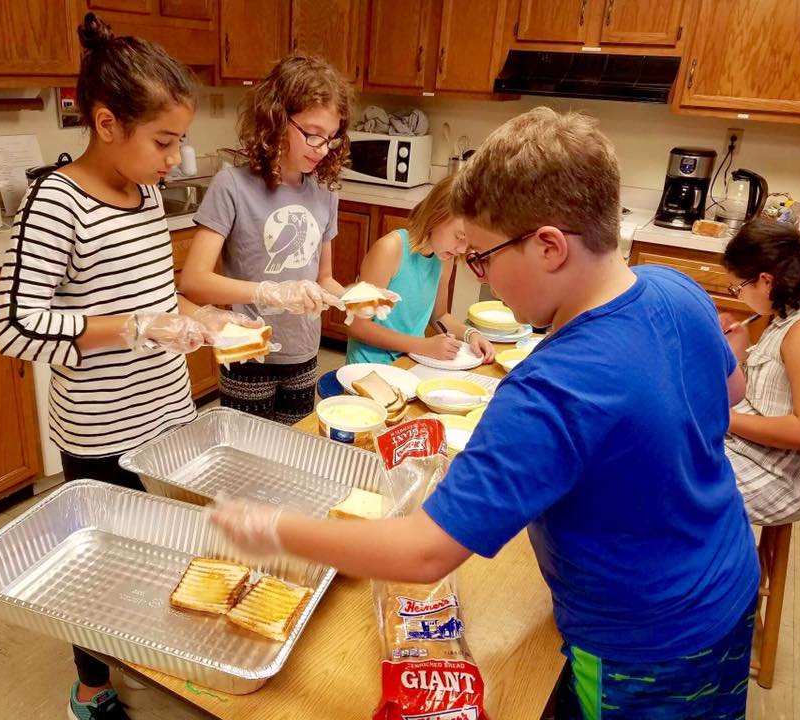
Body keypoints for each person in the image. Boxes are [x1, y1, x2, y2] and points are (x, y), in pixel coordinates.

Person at [212, 107, 760, 720]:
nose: (482, 278)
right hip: (730, 581)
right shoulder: (674, 287)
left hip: (641, 647)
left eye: (482, 258)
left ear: (549, 246)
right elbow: (731, 390)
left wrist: (275, 529)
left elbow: (424, 554)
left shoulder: (552, 387)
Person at [0, 14, 254, 720]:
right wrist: (135, 327)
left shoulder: (141, 194)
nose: (175, 158)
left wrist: (195, 321)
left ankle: (149, 651)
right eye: (163, 141)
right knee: (101, 565)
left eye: (179, 141)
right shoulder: (55, 203)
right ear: (106, 124)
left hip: (164, 412)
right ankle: (91, 689)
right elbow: (15, 329)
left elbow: (149, 294)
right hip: (102, 425)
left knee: (155, 546)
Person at [179, 54, 369, 425]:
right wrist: (268, 292)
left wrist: (354, 298)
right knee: (247, 463)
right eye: (312, 133)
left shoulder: (325, 193)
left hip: (302, 350)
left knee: (292, 454)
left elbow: (323, 278)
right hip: (249, 350)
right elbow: (194, 282)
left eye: (330, 138)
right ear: (277, 118)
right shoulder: (232, 186)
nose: (320, 147)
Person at [721, 219, 800, 525]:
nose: (738, 296)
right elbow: (770, 395)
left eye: (738, 287)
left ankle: (702, 568)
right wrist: (739, 353)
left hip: (780, 476)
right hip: (757, 453)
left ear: (766, 281)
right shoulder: (791, 310)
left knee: (653, 481)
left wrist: (723, 418)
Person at [345, 175, 495, 365]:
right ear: (437, 214)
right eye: (459, 237)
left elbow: (440, 316)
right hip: (369, 368)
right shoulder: (389, 249)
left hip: (410, 361)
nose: (462, 250)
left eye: (469, 243)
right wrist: (423, 346)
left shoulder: (445, 258)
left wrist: (471, 334)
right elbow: (357, 326)